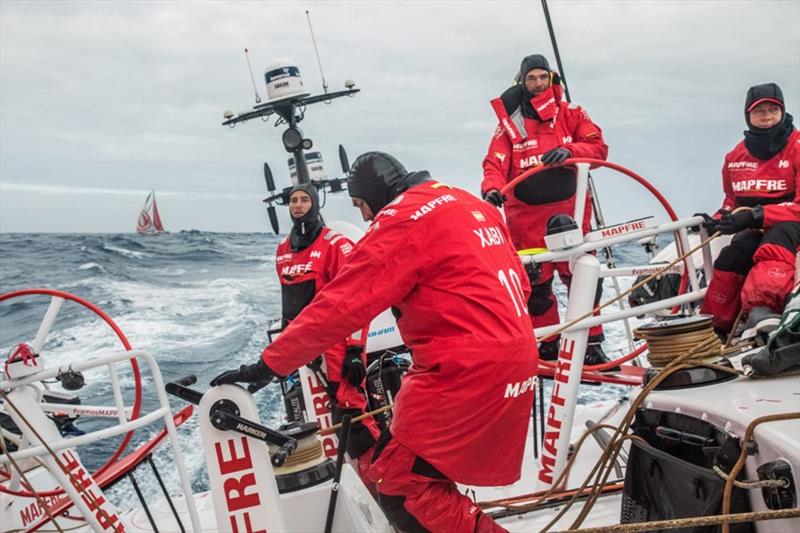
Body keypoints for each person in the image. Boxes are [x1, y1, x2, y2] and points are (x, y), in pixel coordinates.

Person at [212, 152, 538, 533]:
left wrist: (268, 365)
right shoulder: (468, 202)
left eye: (361, 205)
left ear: (375, 193)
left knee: (399, 484)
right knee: (420, 473)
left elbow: (340, 305)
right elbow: (521, 282)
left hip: (463, 370)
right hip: (516, 355)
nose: (365, 217)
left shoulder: (403, 219)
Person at [481, 53, 611, 365]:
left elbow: (599, 150)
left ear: (551, 79)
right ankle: (548, 346)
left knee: (583, 279)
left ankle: (591, 346)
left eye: (543, 77)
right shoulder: (508, 127)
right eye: (531, 78)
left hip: (571, 215)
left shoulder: (573, 114)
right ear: (522, 83)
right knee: (537, 289)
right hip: (525, 222)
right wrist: (491, 189)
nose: (538, 84)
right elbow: (494, 164)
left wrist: (570, 151)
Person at [275, 184, 380, 471]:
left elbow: (357, 299)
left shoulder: (336, 244)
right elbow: (289, 302)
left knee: (351, 412)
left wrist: (356, 350)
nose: (298, 205)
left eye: (304, 200)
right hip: (304, 346)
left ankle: (383, 476)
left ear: (315, 204)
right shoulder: (283, 249)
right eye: (293, 200)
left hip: (336, 341)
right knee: (318, 415)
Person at [698, 82, 799, 335]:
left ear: (782, 111)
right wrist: (719, 219)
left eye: (772, 110)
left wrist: (758, 216)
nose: (766, 116)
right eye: (759, 110)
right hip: (754, 225)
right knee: (734, 253)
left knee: (775, 240)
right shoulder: (735, 157)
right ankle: (714, 327)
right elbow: (732, 202)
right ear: (748, 115)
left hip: (790, 224)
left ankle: (764, 311)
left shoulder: (797, 147)